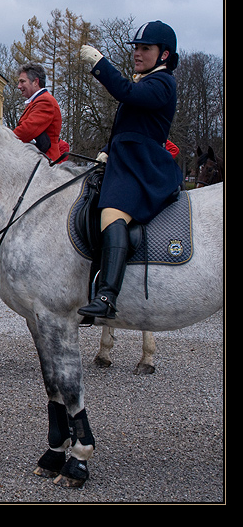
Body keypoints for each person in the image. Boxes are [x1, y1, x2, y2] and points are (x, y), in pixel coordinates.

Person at [77, 20, 183, 320]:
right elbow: (128, 128)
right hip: (124, 160)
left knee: (112, 214)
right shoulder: (145, 80)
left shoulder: (163, 84)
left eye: (144, 48)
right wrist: (107, 151)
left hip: (144, 166)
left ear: (163, 55)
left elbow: (126, 93)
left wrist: (100, 64)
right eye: (136, 47)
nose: (137, 53)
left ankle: (108, 296)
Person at [14, 62, 63, 161]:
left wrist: (3, 138)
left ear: (36, 82)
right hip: (39, 161)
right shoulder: (38, 101)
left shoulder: (45, 101)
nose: (19, 86)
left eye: (22, 81)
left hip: (45, 163)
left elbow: (27, 131)